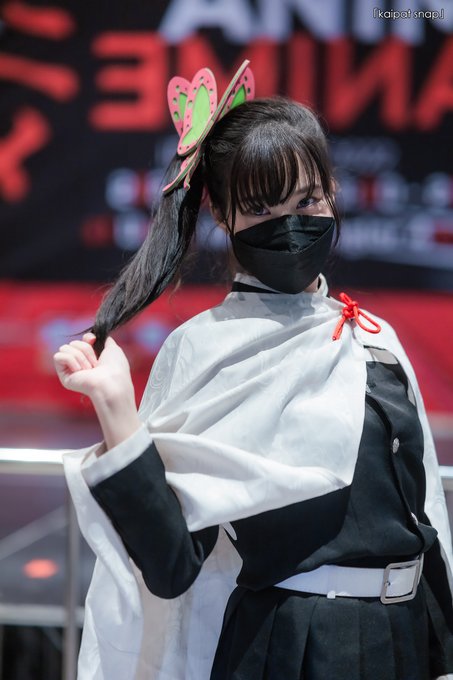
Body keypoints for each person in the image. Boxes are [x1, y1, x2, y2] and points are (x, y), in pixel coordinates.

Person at [54, 60, 453, 680]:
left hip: (406, 641)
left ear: (332, 193)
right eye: (261, 209)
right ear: (223, 217)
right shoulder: (203, 349)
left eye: (307, 200)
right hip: (289, 648)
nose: (290, 225)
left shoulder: (372, 336)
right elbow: (170, 564)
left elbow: (425, 514)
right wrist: (115, 406)